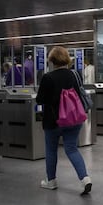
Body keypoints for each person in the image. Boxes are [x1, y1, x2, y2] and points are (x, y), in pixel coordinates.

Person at [36, 46, 92, 195]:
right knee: (72, 149)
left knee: (51, 150)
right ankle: (85, 178)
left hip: (54, 121)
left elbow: (39, 99)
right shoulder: (74, 74)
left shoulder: (48, 77)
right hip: (74, 119)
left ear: (52, 60)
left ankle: (51, 181)